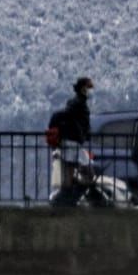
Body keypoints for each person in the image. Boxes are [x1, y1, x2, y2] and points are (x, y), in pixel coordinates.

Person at [51, 78, 95, 206]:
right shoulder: (78, 104)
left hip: (72, 142)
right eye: (88, 88)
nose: (89, 91)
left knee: (72, 173)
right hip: (73, 142)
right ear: (83, 89)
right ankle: (67, 199)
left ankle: (68, 197)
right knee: (81, 173)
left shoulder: (75, 103)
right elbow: (80, 123)